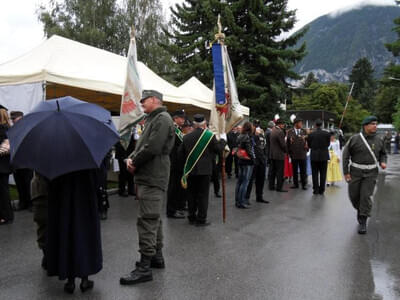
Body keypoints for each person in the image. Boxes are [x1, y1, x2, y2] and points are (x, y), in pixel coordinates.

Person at [120, 90, 174, 285]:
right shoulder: (155, 119)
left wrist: (134, 161)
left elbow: (152, 147)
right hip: (150, 175)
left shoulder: (162, 118)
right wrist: (131, 157)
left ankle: (144, 267)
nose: (141, 103)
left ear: (154, 100)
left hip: (152, 175)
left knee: (147, 221)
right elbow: (143, 144)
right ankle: (156, 257)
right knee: (154, 218)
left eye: (144, 100)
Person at [47, 170, 102, 294]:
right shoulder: (87, 153)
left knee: (66, 234)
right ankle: (84, 278)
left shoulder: (54, 153)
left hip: (61, 199)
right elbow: (99, 175)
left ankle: (70, 280)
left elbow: (48, 178)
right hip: (85, 196)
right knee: (83, 235)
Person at [342, 116, 387, 234]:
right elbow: (345, 155)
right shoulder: (355, 139)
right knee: (354, 196)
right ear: (365, 126)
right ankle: (361, 210)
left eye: (376, 124)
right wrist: (346, 172)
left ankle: (363, 221)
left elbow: (383, 153)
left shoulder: (379, 139)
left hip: (371, 173)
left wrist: (383, 161)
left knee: (365, 196)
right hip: (355, 172)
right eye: (372, 124)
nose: (375, 126)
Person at [179, 114, 224, 224]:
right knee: (203, 195)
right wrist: (223, 140)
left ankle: (191, 216)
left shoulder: (186, 137)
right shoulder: (209, 136)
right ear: (204, 124)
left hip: (190, 170)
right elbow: (219, 150)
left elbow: (180, 154)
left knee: (191, 194)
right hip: (205, 171)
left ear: (193, 124)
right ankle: (201, 219)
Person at [10, 111, 33, 211]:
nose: (13, 120)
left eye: (14, 118)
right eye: (12, 119)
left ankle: (31, 204)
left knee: (28, 184)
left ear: (21, 118)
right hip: (16, 162)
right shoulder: (12, 130)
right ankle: (23, 203)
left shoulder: (28, 128)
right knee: (19, 184)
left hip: (27, 161)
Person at [167, 109, 186, 219]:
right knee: (173, 187)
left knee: (177, 187)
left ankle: (176, 207)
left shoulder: (178, 129)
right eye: (181, 117)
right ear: (176, 118)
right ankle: (171, 211)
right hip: (174, 162)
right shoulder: (173, 129)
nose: (183, 119)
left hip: (178, 162)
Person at [245, 127, 269, 203]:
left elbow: (264, 148)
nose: (259, 131)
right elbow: (251, 148)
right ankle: (246, 198)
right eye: (257, 129)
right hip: (254, 161)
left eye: (260, 129)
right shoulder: (251, 137)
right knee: (250, 180)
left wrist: (265, 157)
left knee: (261, 180)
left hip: (262, 160)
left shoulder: (262, 137)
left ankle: (259, 196)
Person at [235, 122, 256, 208]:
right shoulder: (248, 137)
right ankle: (241, 201)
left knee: (240, 181)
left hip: (240, 160)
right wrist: (253, 159)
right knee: (245, 182)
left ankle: (237, 201)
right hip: (247, 161)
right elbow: (249, 150)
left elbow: (237, 147)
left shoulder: (239, 136)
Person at [31, 172, 49, 269]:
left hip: (40, 192)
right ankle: (47, 257)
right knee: (43, 226)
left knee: (43, 227)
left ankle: (48, 257)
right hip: (42, 192)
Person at [307, 119, 330, 195]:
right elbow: (328, 144)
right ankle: (322, 189)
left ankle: (316, 189)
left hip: (314, 156)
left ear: (315, 125)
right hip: (324, 156)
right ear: (322, 125)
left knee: (315, 173)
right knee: (323, 173)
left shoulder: (311, 134)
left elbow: (309, 145)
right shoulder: (327, 134)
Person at [286, 118, 308, 190]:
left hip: (302, 154)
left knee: (303, 170)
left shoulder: (304, 131)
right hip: (294, 154)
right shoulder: (290, 132)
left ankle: (304, 184)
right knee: (294, 170)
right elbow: (288, 143)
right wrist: (288, 153)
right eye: (300, 123)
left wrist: (307, 148)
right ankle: (295, 184)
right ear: (296, 124)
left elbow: (308, 141)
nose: (301, 124)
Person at [0, 109, 13, 225]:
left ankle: (6, 216)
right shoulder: (7, 128)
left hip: (2, 166)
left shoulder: (3, 129)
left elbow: (5, 149)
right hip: (3, 166)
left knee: (3, 191)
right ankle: (6, 214)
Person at [114, 130, 136, 197]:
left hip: (130, 156)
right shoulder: (120, 133)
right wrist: (123, 158)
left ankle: (131, 189)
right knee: (123, 173)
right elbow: (118, 145)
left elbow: (132, 146)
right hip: (122, 156)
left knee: (130, 173)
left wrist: (131, 156)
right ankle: (122, 190)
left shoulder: (132, 134)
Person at [268, 119, 287, 192]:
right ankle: (279, 187)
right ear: (279, 124)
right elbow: (283, 144)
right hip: (279, 155)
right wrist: (286, 151)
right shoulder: (280, 132)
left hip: (272, 154)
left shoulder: (272, 130)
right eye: (283, 124)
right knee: (280, 172)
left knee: (273, 171)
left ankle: (271, 186)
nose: (283, 125)